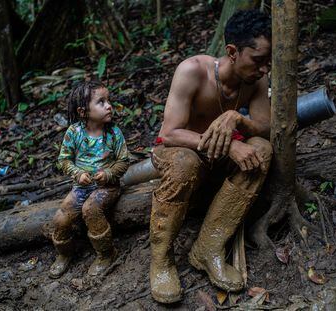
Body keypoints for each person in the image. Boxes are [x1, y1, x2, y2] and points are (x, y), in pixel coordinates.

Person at [149, 9, 273, 303]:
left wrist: (237, 119)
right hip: (180, 152)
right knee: (184, 163)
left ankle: (208, 248)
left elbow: (265, 128)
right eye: (258, 60)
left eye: (268, 61)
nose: (265, 69)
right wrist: (229, 145)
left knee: (262, 151)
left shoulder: (255, 81)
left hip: (215, 160)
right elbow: (169, 133)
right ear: (232, 51)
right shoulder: (192, 71)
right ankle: (161, 260)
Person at [49, 81, 129, 278]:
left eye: (108, 100)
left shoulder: (113, 133)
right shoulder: (74, 133)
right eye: (101, 102)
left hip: (107, 187)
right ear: (83, 111)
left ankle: (106, 254)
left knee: (91, 209)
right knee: (61, 217)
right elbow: (64, 160)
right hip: (81, 187)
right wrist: (78, 174)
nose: (109, 105)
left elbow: (124, 161)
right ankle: (64, 253)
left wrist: (109, 174)